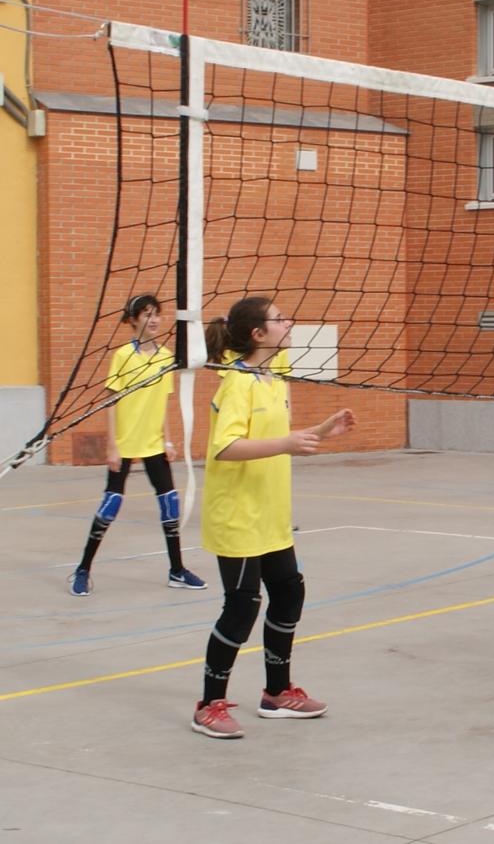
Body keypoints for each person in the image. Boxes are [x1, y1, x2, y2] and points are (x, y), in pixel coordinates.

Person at [191, 296, 356, 739]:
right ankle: (209, 704)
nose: (289, 323)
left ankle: (277, 693)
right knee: (242, 607)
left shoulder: (274, 378)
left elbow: (276, 437)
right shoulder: (236, 383)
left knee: (288, 595)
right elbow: (225, 448)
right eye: (279, 319)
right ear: (257, 335)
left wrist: (322, 430)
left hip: (271, 513)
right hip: (238, 516)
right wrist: (286, 443)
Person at [68, 294, 206, 596]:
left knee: (169, 503)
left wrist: (168, 440)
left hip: (154, 444)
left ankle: (176, 570)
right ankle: (83, 569)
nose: (154, 319)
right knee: (110, 506)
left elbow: (163, 402)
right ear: (133, 320)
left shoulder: (166, 357)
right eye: (147, 315)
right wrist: (112, 447)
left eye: (157, 314)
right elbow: (111, 401)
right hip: (126, 444)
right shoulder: (122, 356)